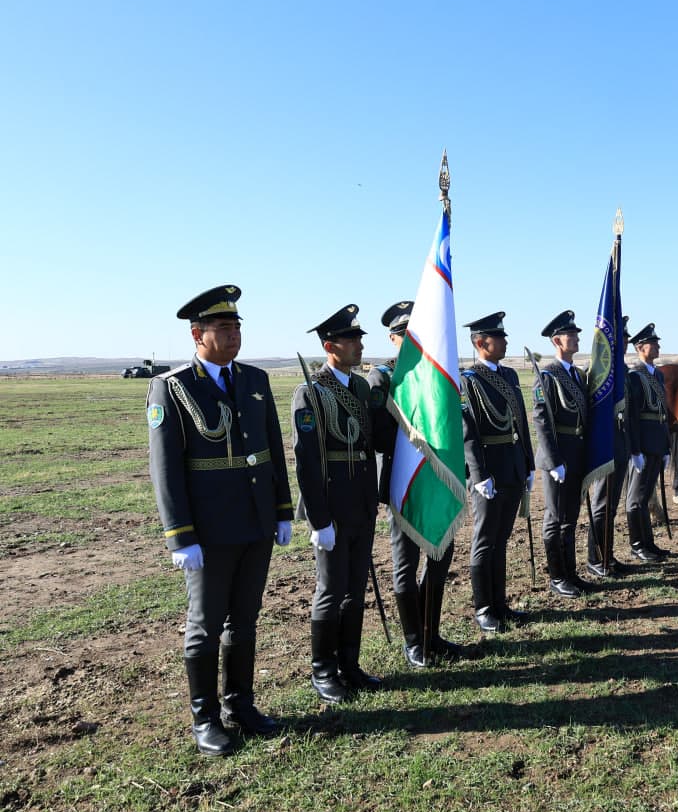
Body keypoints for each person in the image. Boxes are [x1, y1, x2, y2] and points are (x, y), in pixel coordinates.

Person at [147, 285, 293, 756]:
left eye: (236, 328)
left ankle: (240, 705)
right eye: (223, 329)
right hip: (208, 532)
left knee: (245, 619)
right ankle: (205, 717)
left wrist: (282, 509)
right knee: (205, 623)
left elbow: (271, 448)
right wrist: (179, 536)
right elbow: (165, 468)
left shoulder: (254, 379)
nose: (233, 336)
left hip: (254, 525)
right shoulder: (172, 387)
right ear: (198, 334)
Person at [293, 305, 382, 704]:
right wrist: (318, 518)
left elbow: (372, 443)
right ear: (331, 347)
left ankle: (350, 664)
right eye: (352, 340)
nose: (359, 345)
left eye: (360, 339)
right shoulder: (311, 392)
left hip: (362, 500)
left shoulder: (361, 388)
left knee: (355, 588)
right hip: (332, 502)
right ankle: (323, 671)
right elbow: (307, 460)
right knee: (331, 590)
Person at [368, 301, 464, 668]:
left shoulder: (438, 373)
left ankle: (431, 634)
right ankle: (414, 642)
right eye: (405, 334)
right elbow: (378, 436)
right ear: (393, 339)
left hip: (438, 478)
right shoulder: (383, 377)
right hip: (405, 480)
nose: (411, 339)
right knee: (405, 564)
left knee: (439, 558)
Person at [459, 311, 535, 632]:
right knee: (485, 540)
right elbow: (467, 431)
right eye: (499, 337)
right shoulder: (468, 381)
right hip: (489, 470)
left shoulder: (510, 377)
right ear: (481, 342)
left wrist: (529, 464)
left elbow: (520, 422)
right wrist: (479, 476)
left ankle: (500, 604)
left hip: (514, 465)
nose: (505, 342)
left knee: (501, 540)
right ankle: (484, 608)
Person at [531, 310, 591, 599]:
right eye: (571, 334)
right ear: (557, 340)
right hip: (558, 458)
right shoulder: (547, 375)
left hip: (577, 454)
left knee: (571, 517)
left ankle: (571, 573)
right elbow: (542, 420)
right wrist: (554, 461)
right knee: (555, 518)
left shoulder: (577, 375)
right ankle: (557, 577)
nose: (577, 337)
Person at [624, 323, 671, 562]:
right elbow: (631, 416)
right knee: (635, 499)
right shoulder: (634, 376)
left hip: (657, 443)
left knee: (645, 497)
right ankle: (637, 545)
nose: (658, 346)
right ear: (641, 347)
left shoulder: (658, 374)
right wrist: (634, 450)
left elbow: (664, 412)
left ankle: (649, 543)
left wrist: (667, 447)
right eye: (654, 343)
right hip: (643, 444)